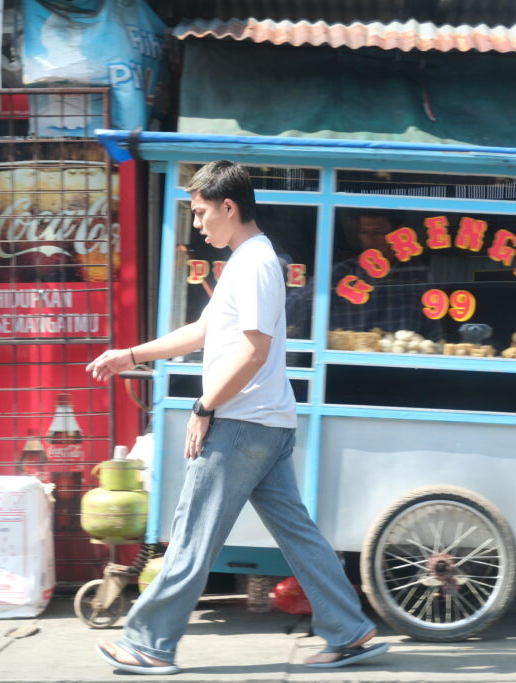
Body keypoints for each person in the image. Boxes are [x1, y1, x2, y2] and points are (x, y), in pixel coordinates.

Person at [87, 161, 389, 675]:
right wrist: (130, 356)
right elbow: (201, 331)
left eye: (201, 212)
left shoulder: (254, 264)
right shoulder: (248, 260)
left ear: (229, 207)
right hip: (265, 424)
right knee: (298, 536)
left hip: (240, 424)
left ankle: (149, 644)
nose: (197, 223)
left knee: (191, 536)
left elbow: (253, 351)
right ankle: (349, 630)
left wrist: (204, 406)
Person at [287, 210, 441, 339]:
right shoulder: (342, 273)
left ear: (397, 234)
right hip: (344, 360)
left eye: (377, 233)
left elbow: (434, 331)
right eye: (364, 232)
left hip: (401, 359)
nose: (370, 239)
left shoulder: (417, 274)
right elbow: (294, 304)